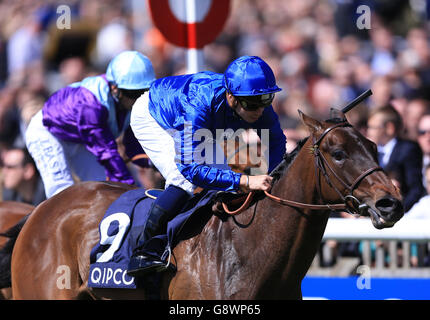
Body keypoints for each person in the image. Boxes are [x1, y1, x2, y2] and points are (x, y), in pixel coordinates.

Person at [127, 55, 286, 276]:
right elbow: (190, 168)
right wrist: (247, 180)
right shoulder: (200, 101)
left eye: (266, 99)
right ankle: (143, 251)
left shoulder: (254, 99)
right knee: (183, 181)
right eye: (252, 103)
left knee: (227, 179)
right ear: (231, 96)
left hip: (207, 125)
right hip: (156, 116)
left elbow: (277, 142)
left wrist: (272, 177)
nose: (259, 110)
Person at [25, 51, 155, 198]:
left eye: (143, 92)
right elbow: (107, 153)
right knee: (62, 192)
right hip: (48, 133)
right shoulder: (90, 104)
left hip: (79, 138)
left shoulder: (127, 101)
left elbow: (133, 144)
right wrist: (131, 190)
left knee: (105, 189)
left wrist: (154, 163)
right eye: (132, 94)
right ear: (114, 88)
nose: (137, 100)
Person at [366, 104, 425, 212]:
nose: (368, 132)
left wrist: (399, 213)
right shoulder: (370, 153)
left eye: (373, 127)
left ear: (389, 128)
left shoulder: (408, 150)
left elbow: (415, 189)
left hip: (402, 214)